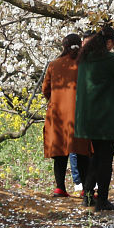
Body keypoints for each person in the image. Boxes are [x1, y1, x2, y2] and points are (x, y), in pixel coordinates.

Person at [74, 24, 114, 212]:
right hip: (107, 119)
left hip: (89, 120)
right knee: (105, 161)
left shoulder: (85, 59)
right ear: (110, 42)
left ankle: (87, 196)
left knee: (95, 158)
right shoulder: (108, 59)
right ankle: (102, 200)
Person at [41, 34, 93, 198]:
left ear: (63, 46)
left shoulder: (54, 64)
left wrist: (56, 98)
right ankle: (86, 189)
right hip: (80, 112)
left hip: (58, 115)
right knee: (82, 151)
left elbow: (45, 89)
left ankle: (60, 188)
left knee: (60, 152)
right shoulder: (85, 64)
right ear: (81, 45)